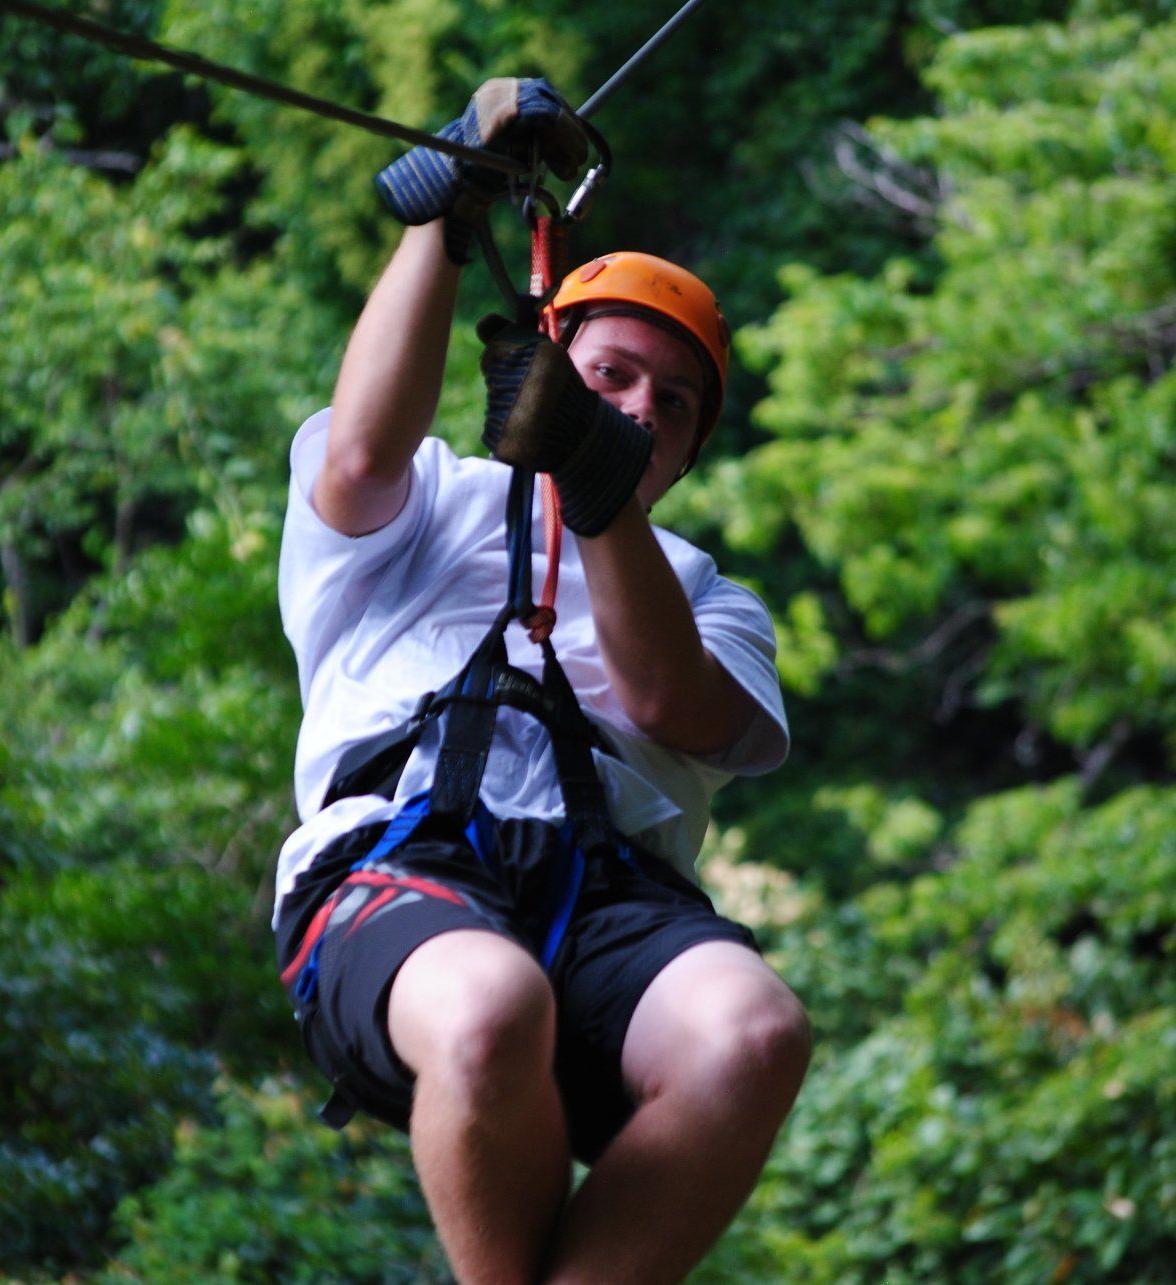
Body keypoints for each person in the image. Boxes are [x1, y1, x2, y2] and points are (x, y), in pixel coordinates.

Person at [271, 78, 810, 1284]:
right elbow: (358, 457)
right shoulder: (432, 505)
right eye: (611, 375)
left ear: (688, 453)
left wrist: (594, 480)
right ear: (548, 362)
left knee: (753, 1031)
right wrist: (449, 212)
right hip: (403, 860)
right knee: (488, 1009)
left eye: (673, 405)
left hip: (613, 901)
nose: (641, 409)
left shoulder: (707, 596)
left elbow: (671, 702)